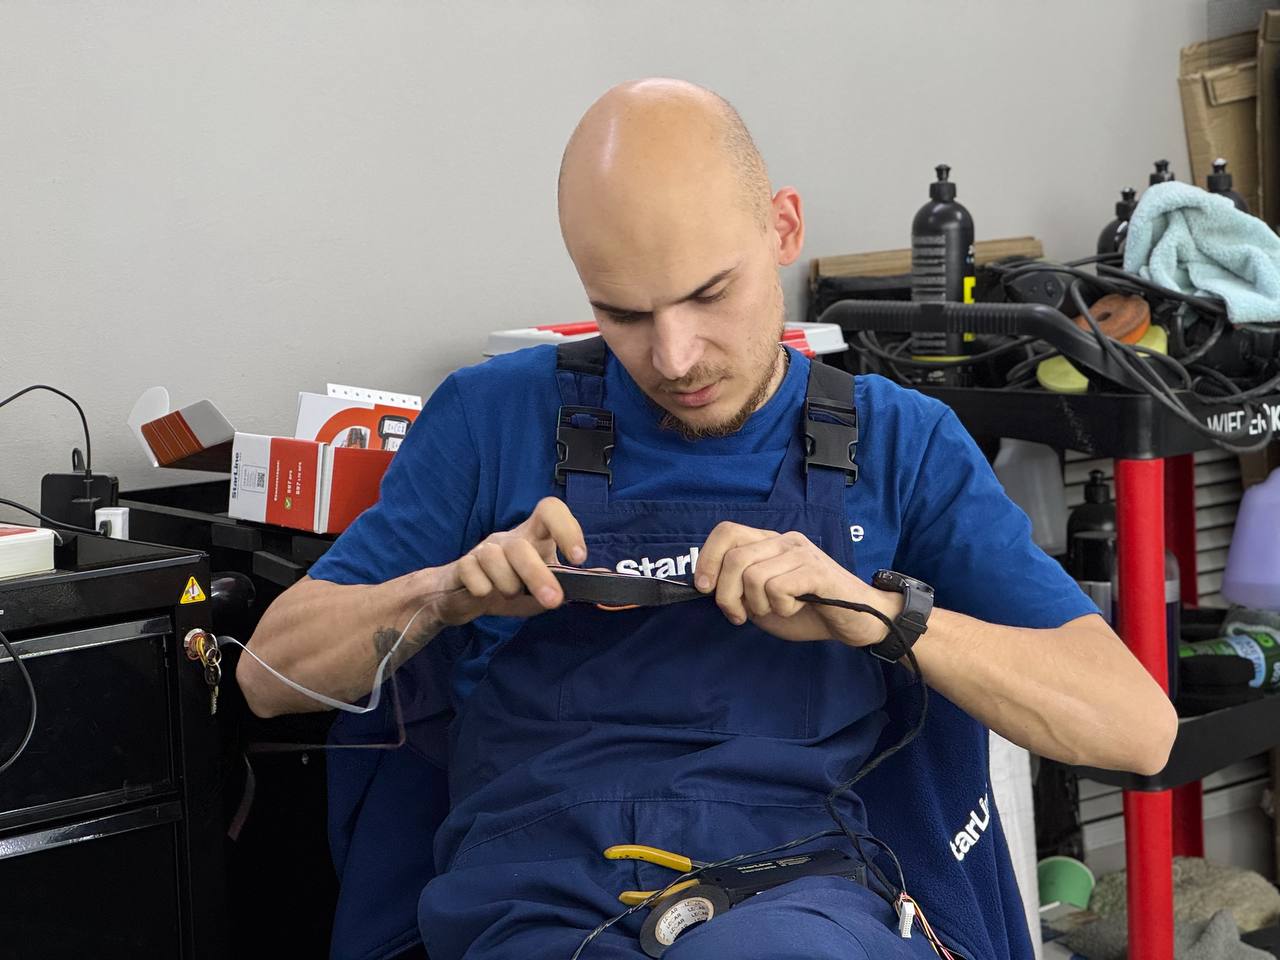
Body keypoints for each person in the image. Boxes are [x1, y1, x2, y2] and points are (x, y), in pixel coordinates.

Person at [238, 78, 1176, 960]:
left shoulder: (902, 443)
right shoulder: (489, 418)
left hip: (792, 898)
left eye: (707, 294)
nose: (675, 357)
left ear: (783, 227)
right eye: (623, 314)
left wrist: (877, 615)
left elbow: (1138, 729)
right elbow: (266, 675)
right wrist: (444, 594)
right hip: (536, 901)